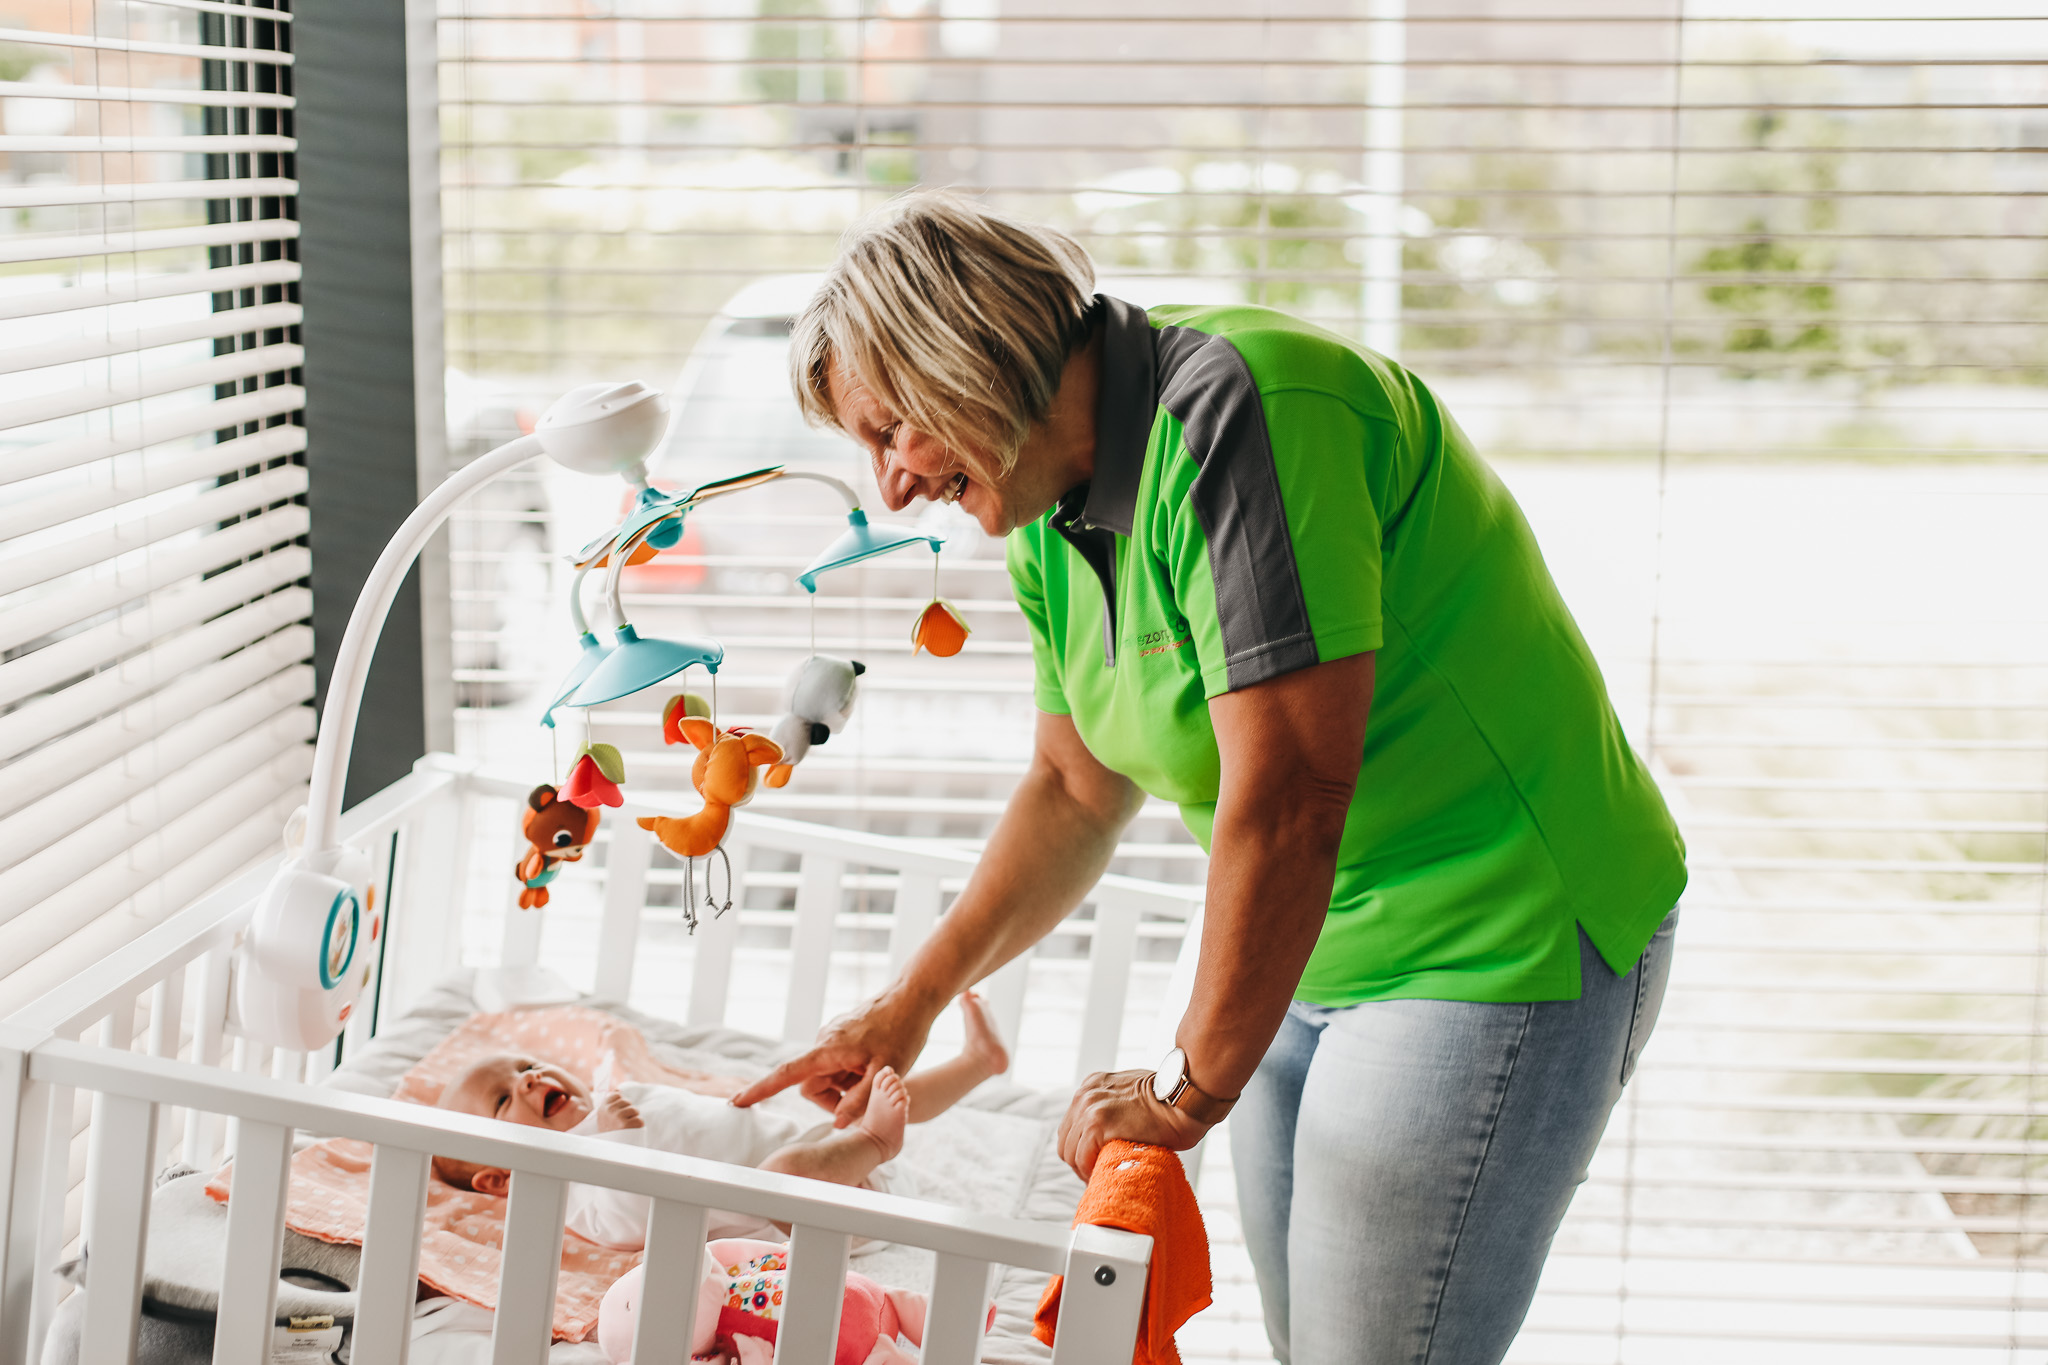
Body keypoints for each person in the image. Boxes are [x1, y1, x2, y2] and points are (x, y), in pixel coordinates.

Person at [731, 190, 1685, 1364]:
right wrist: (906, 1008)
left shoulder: (1247, 410)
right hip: (1312, 944)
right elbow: (1072, 790)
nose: (888, 487)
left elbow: (1288, 798)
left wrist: (1181, 1090)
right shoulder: (1048, 508)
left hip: (1495, 925)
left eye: (889, 434)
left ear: (963, 360)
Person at [431, 992, 1009, 1248]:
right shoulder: (573, 1187)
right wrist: (616, 1144)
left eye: (527, 1066)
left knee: (857, 1098)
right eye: (503, 1100)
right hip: (816, 1213)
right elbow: (628, 1225)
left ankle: (976, 1063)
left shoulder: (616, 1096)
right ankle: (878, 1139)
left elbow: (689, 1115)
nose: (529, 1079)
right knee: (782, 1172)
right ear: (500, 1179)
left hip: (823, 1154)